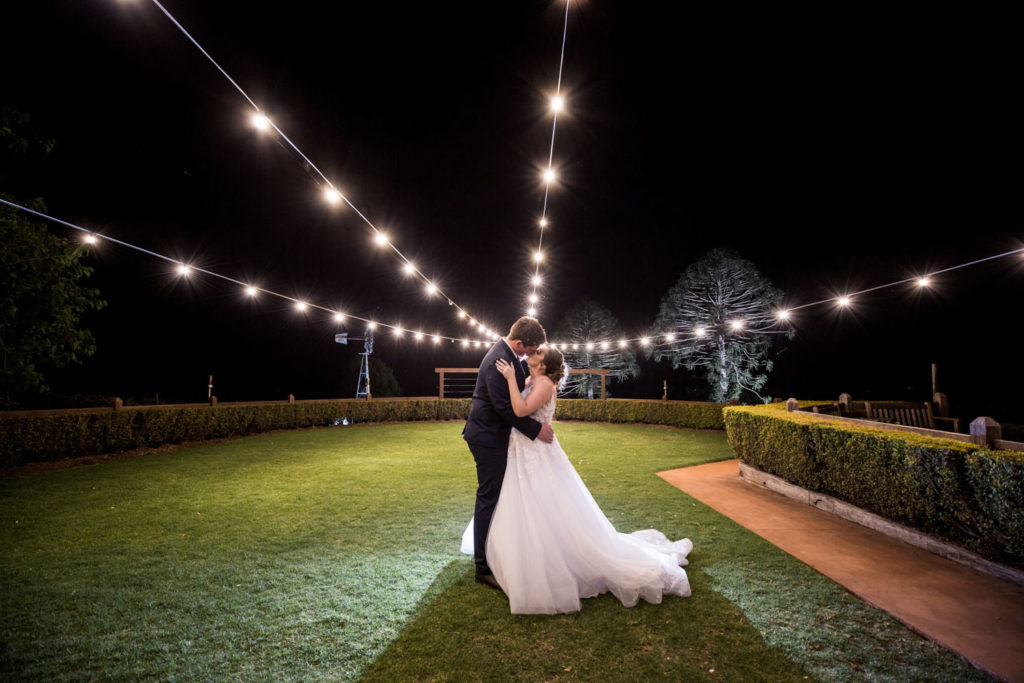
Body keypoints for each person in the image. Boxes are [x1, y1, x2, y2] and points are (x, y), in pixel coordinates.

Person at [461, 345, 692, 614]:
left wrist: (511, 379)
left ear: (544, 365)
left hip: (535, 450)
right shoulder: (532, 379)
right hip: (522, 449)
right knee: (523, 502)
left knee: (543, 502)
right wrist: (516, 381)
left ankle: (550, 556)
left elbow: (521, 410)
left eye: (538, 353)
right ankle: (515, 553)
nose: (532, 354)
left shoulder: (544, 384)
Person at [462, 316, 555, 590]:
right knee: (488, 498)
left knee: (498, 497)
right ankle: (482, 567)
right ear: (519, 343)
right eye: (530, 349)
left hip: (495, 436)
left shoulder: (508, 356)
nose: (531, 354)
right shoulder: (498, 360)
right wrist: (536, 430)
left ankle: (495, 553)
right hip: (487, 438)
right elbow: (504, 408)